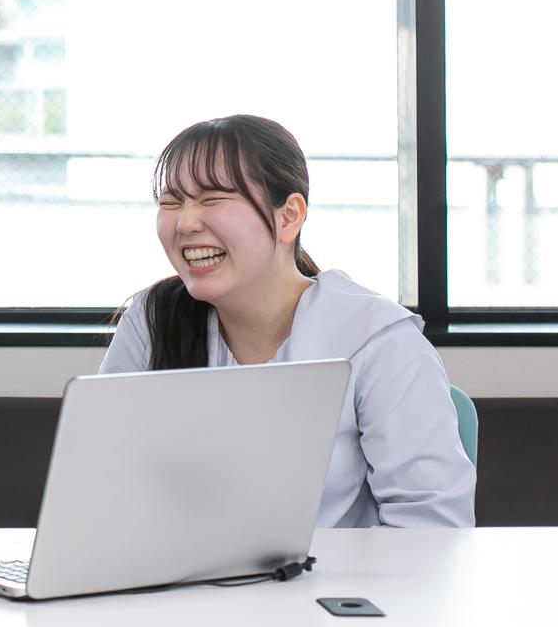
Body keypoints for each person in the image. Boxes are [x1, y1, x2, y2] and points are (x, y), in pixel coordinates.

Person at [100, 115, 474, 528]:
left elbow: (432, 528)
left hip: (332, 572)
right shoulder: (152, 320)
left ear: (289, 217)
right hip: (175, 569)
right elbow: (100, 487)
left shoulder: (377, 339)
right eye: (171, 202)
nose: (185, 222)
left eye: (213, 198)